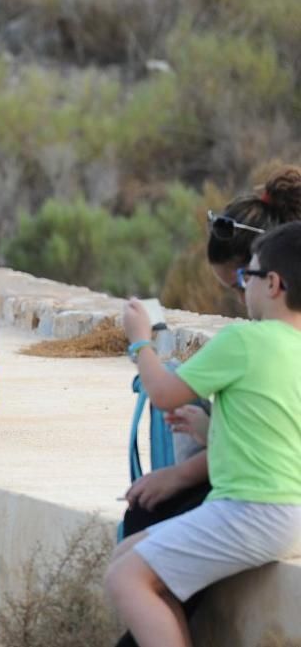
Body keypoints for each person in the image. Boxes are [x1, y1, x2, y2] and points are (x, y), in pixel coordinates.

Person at [114, 166, 301, 646]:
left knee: (125, 578)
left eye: (247, 277)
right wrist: (213, 428)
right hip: (285, 510)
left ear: (273, 283)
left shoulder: (245, 341)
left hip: (252, 509)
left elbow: (161, 393)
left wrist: (142, 342)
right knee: (135, 557)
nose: (242, 292)